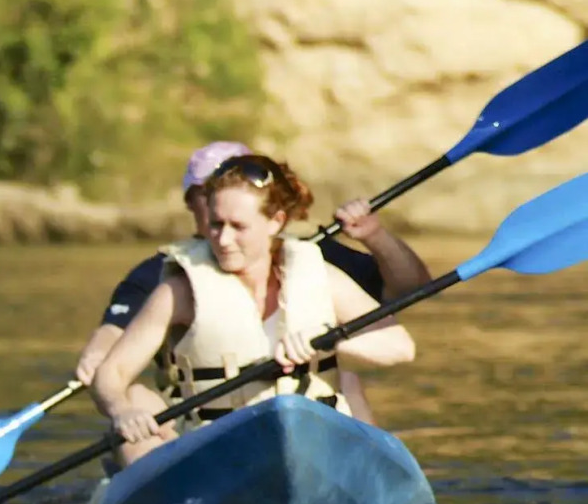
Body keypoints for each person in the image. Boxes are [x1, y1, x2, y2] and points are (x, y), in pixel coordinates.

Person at [90, 154, 417, 467]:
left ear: (275, 222)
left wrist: (330, 343)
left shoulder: (321, 276)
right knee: (136, 398)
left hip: (318, 449)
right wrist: (121, 410)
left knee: (349, 380)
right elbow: (111, 374)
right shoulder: (180, 292)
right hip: (219, 454)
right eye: (216, 224)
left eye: (238, 226)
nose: (223, 239)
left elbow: (400, 347)